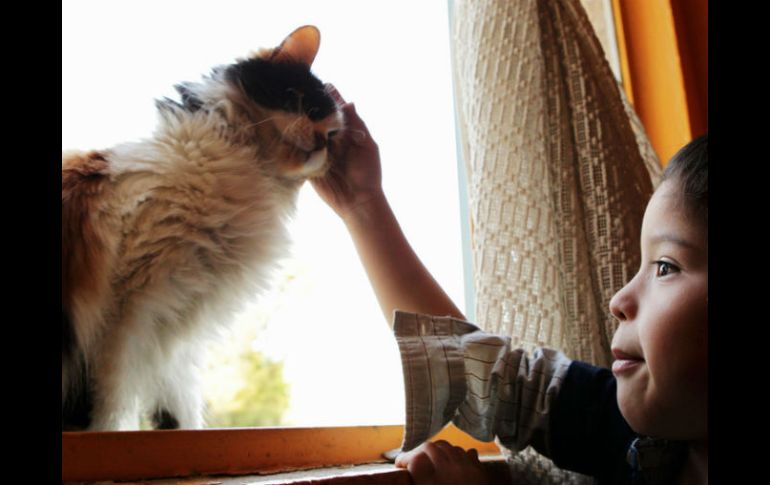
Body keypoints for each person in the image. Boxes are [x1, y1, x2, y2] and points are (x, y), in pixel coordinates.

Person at [312, 85, 708, 485]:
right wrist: (362, 203)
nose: (618, 300)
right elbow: (486, 378)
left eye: (665, 267)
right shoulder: (620, 426)